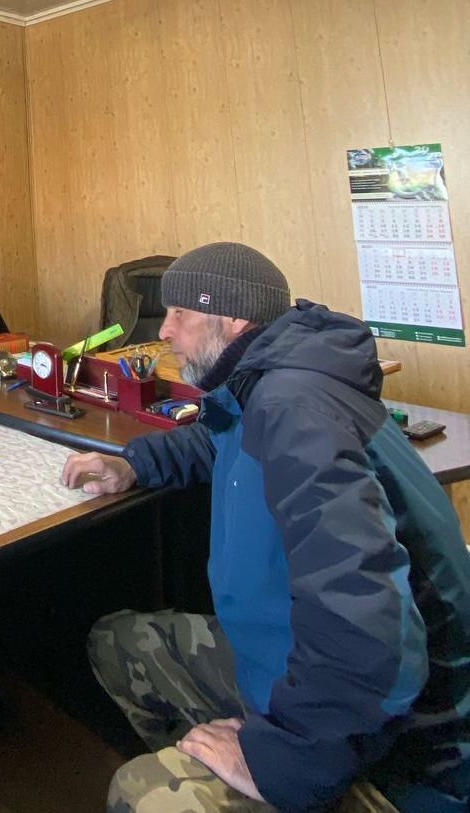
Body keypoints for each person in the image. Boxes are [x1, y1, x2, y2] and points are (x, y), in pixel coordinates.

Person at [60, 242, 470, 812]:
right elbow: (216, 438)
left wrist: (282, 764)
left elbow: (369, 634)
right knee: (117, 642)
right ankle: (221, 757)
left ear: (232, 318)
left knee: (139, 793)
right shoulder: (264, 385)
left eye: (180, 313)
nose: (166, 331)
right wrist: (134, 464)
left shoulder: (293, 410)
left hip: (395, 743)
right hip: (295, 665)